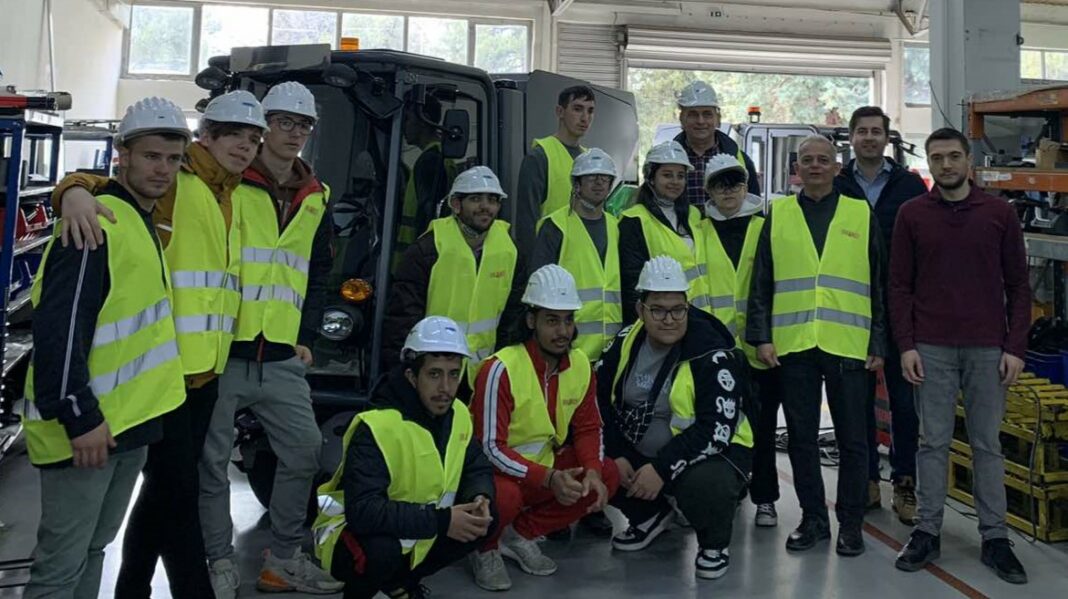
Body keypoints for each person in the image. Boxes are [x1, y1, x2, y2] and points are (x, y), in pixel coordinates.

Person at [50, 90, 271, 599]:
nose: (244, 146)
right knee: (179, 494)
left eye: (252, 138)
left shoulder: (231, 192)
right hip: (166, 376)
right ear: (205, 138)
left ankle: (132, 588)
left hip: (204, 372)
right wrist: (72, 191)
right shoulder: (179, 179)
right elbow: (110, 188)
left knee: (165, 493)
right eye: (233, 135)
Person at [21, 97, 190, 599]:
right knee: (60, 566)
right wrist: (79, 416)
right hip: (86, 430)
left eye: (173, 159)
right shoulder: (94, 225)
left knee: (94, 549)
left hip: (128, 425)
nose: (162, 169)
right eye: (151, 156)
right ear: (123, 155)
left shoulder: (138, 220)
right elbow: (59, 331)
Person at [199, 81, 342, 597]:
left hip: (280, 354)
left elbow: (318, 271)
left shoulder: (316, 196)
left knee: (304, 450)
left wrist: (306, 336)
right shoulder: (233, 181)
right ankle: (218, 559)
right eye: (283, 122)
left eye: (303, 125)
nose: (294, 133)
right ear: (264, 128)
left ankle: (282, 559)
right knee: (211, 462)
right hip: (224, 349)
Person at [890, 128, 1029, 584]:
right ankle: (927, 531)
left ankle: (996, 538)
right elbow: (899, 286)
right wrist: (907, 345)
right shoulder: (912, 215)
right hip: (930, 348)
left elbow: (1019, 286)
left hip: (988, 348)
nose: (946, 165)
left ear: (969, 160)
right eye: (937, 158)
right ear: (928, 164)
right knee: (932, 443)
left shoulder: (999, 214)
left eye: (953, 156)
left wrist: (1015, 347)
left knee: (987, 445)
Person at [746, 135, 887, 557]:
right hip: (794, 345)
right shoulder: (779, 214)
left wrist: (879, 339)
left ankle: (851, 525)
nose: (815, 166)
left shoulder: (860, 213)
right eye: (807, 160)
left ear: (836, 167)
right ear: (797, 168)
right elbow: (762, 281)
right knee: (802, 439)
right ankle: (813, 520)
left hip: (849, 344)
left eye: (823, 160)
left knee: (854, 441)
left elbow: (879, 282)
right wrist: (762, 336)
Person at [313, 316, 497, 599]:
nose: (446, 388)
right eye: (434, 374)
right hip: (346, 533)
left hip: (416, 525)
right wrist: (442, 521)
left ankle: (401, 583)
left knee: (484, 521)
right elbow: (363, 513)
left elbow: (476, 465)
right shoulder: (378, 426)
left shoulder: (458, 413)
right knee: (380, 551)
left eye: (453, 374)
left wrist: (479, 497)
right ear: (411, 377)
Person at [597, 256, 753, 580]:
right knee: (591, 456)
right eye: (658, 310)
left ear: (687, 306)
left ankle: (713, 544)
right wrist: (616, 453)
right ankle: (649, 516)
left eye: (678, 309)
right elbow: (600, 402)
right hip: (640, 449)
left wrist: (662, 468)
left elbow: (714, 429)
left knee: (707, 484)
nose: (669, 320)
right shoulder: (624, 342)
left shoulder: (711, 352)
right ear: (640, 310)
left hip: (713, 451)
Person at [468, 265, 620, 592]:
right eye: (552, 320)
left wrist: (592, 472)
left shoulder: (580, 365)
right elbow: (489, 448)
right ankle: (485, 549)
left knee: (606, 474)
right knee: (505, 497)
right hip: (496, 474)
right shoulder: (500, 369)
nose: (563, 331)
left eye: (568, 320)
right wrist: (549, 478)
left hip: (543, 471)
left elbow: (589, 427)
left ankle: (519, 535)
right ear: (530, 320)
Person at [835, 106, 928, 523]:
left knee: (905, 404)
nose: (869, 137)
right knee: (856, 403)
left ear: (887, 138)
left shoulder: (910, 185)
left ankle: (904, 481)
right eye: (862, 131)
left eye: (877, 131)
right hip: (851, 307)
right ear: (852, 137)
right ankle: (868, 478)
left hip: (901, 308)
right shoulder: (837, 184)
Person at [383, 165, 527, 389]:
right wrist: (405, 374)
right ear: (456, 204)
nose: (485, 206)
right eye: (475, 199)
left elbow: (512, 319)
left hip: (480, 377)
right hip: (432, 376)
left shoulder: (511, 251)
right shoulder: (428, 249)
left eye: (492, 199)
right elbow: (402, 319)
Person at [696, 155, 781, 528]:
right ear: (708, 190)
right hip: (716, 353)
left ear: (747, 186)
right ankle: (728, 492)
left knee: (762, 428)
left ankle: (765, 498)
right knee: (720, 426)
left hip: (760, 351)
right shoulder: (698, 231)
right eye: (720, 184)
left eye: (735, 182)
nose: (728, 191)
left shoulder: (766, 227)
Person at [531, 147, 622, 362]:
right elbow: (538, 290)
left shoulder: (615, 226)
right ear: (577, 184)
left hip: (612, 352)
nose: (599, 183)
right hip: (569, 349)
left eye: (604, 178)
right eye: (591, 177)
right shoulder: (555, 226)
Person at [619, 140, 710, 324]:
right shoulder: (634, 220)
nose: (675, 182)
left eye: (680, 176)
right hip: (664, 322)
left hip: (699, 317)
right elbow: (631, 285)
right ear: (651, 177)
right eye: (667, 175)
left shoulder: (694, 215)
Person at [512, 85, 596, 252]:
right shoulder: (540, 157)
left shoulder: (591, 160)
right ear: (560, 112)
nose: (585, 117)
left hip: (582, 255)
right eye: (577, 109)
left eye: (590, 111)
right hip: (549, 255)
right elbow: (526, 222)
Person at [673, 80, 760, 207]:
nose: (701, 121)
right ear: (681, 119)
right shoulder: (667, 161)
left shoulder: (741, 161)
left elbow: (754, 207)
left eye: (707, 114)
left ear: (718, 119)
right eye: (693, 114)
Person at [395, 94, 454, 265]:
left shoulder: (430, 162)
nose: (404, 126)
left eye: (408, 119)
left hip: (415, 263)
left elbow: (428, 218)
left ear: (424, 118)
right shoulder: (441, 157)